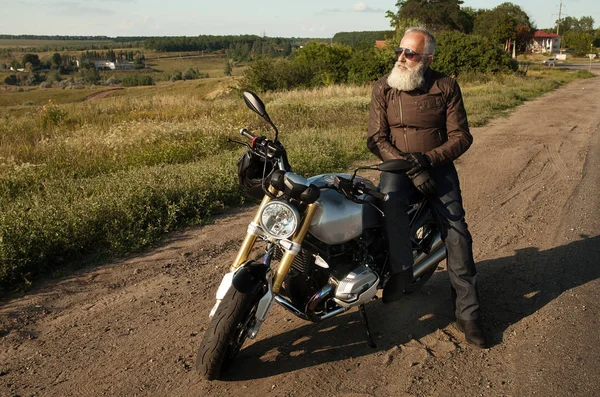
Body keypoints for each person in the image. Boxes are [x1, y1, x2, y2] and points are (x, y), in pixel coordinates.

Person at [367, 27, 485, 348]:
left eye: (411, 53)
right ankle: (401, 273)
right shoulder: (383, 88)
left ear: (428, 59)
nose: (402, 58)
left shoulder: (445, 86)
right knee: (388, 207)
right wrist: (408, 165)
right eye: (400, 51)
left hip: (437, 167)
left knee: (457, 232)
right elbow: (376, 138)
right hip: (396, 166)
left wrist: (427, 161)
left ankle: (469, 313)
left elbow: (461, 136)